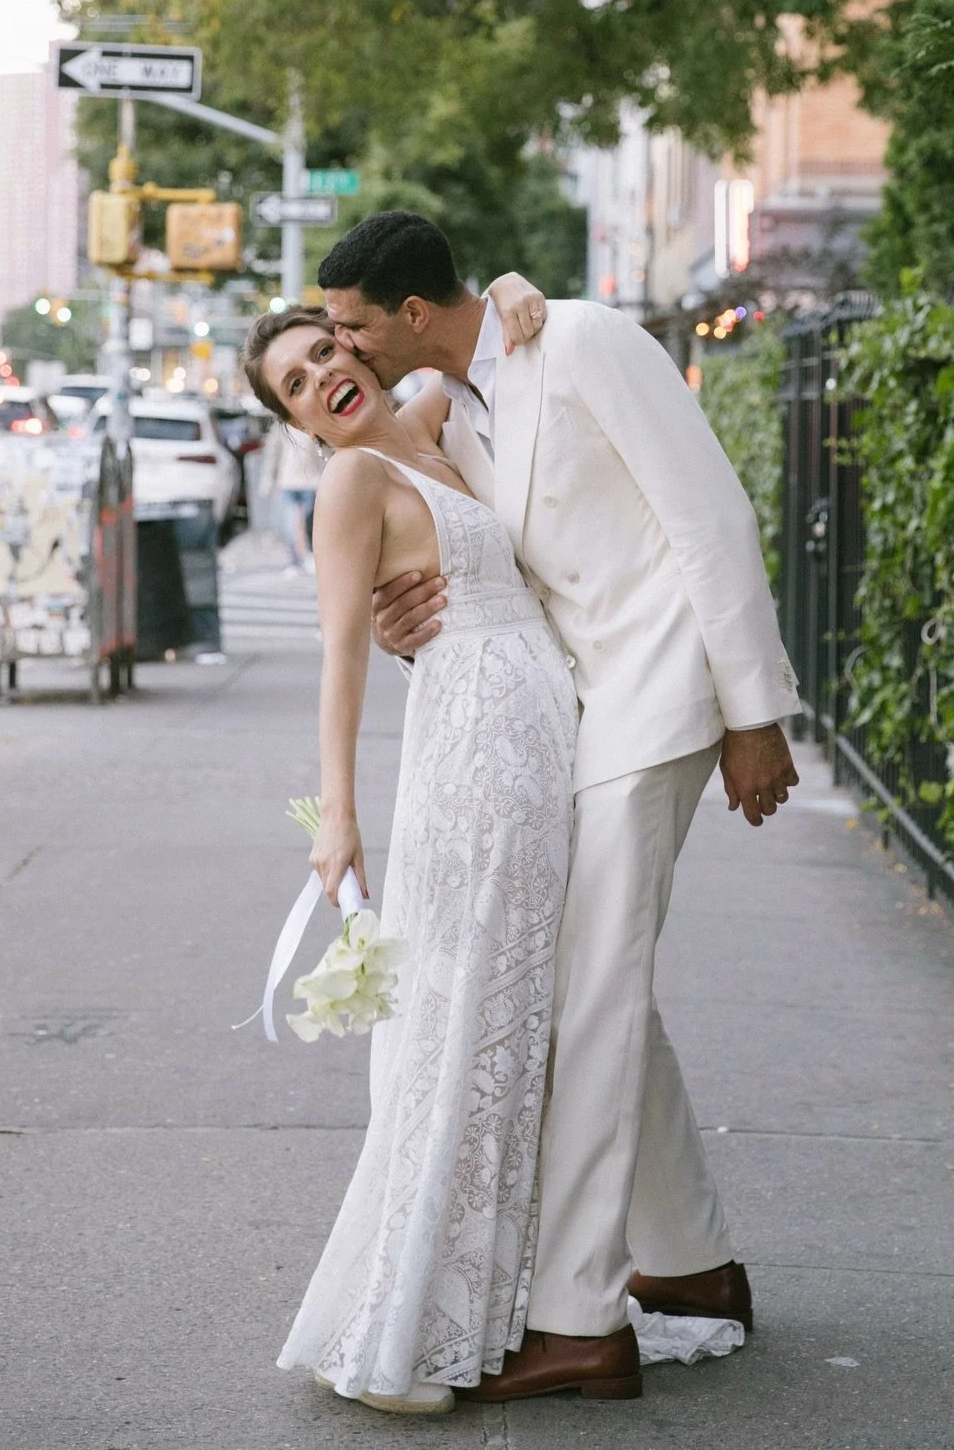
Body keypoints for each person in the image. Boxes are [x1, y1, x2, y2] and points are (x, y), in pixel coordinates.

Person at [318, 210, 801, 1405]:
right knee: (595, 982)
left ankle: (580, 1317)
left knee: (585, 1002)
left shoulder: (581, 341)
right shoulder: (453, 409)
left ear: (413, 315)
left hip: (665, 702)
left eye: (353, 327)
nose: (344, 351)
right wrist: (408, 620)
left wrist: (755, 713)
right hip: (582, 715)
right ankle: (691, 1264)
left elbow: (710, 517)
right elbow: (477, 561)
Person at [242, 302, 582, 1415]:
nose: (322, 378)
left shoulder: (436, 422)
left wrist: (518, 282)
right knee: (462, 1028)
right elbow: (340, 652)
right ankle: (403, 1332)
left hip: (534, 754)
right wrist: (335, 819)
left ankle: (500, 1303)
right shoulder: (350, 485)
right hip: (473, 772)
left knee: (516, 1019)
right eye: (295, 384)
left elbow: (477, 339)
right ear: (297, 422)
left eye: (324, 352)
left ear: (357, 346)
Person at [260, 422, 325, 573]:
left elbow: (323, 453)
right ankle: (294, 560)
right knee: (290, 523)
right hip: (289, 482)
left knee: (310, 523)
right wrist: (267, 482)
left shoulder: (313, 424)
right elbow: (273, 455)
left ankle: (310, 556)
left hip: (311, 483)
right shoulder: (281, 428)